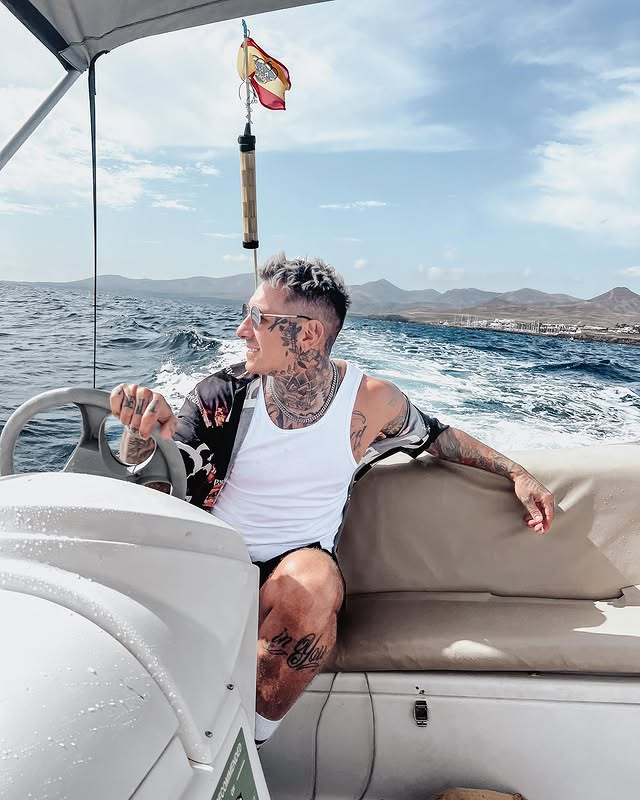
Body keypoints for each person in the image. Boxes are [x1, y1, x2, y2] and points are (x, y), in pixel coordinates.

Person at [110, 254, 555, 747]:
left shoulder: (371, 403)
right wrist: (140, 433)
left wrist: (515, 473)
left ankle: (250, 742)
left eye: (257, 317)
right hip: (208, 562)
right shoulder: (222, 396)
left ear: (308, 333)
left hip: (293, 573)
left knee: (313, 583)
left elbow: (437, 436)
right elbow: (158, 480)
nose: (242, 331)